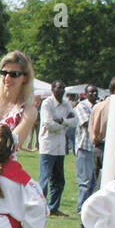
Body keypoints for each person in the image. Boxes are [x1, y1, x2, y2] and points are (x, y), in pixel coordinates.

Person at [37, 81, 77, 216]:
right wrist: (65, 122)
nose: (61, 90)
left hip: (60, 146)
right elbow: (48, 124)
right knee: (45, 179)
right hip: (48, 146)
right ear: (52, 89)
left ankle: (53, 208)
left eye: (63, 88)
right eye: (58, 88)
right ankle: (40, 209)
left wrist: (62, 121)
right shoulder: (47, 103)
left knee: (59, 180)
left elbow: (75, 122)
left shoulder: (67, 104)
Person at [73, 86, 98, 208]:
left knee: (94, 182)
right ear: (85, 94)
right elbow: (87, 123)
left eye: (95, 92)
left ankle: (89, 208)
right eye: (90, 92)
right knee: (85, 181)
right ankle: (81, 207)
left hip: (96, 148)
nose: (93, 94)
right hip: (85, 147)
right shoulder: (82, 106)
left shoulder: (99, 105)